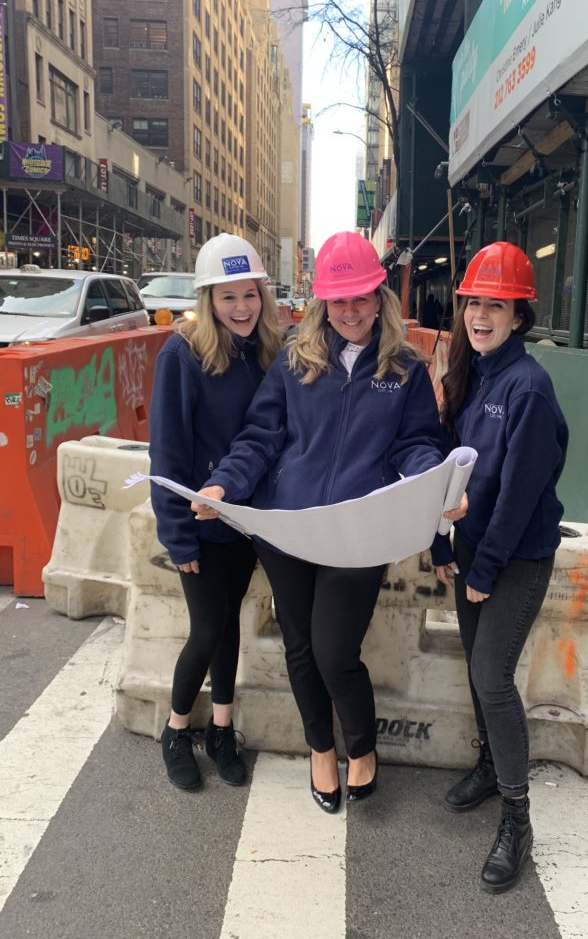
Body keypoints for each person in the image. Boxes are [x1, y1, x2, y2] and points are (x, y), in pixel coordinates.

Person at [193, 231, 465, 813]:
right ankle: (321, 749)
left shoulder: (405, 368)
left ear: (379, 296)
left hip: (359, 530)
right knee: (300, 647)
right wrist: (225, 485)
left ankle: (362, 748)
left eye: (360, 298)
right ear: (322, 303)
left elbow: (416, 443)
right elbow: (261, 437)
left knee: (334, 650)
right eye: (338, 301)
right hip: (290, 528)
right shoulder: (295, 358)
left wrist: (436, 480)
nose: (350, 312)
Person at [431, 241, 568, 893]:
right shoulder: (471, 372)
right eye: (473, 303)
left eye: (497, 304)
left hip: (515, 557)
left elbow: (517, 496)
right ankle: (489, 766)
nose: (481, 315)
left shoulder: (528, 388)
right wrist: (439, 546)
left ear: (521, 315)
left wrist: (483, 569)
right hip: (470, 553)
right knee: (476, 669)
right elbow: (446, 476)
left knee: (491, 676)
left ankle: (518, 815)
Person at [149, 233, 284, 791]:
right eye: (228, 298)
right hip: (201, 524)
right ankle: (178, 730)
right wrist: (178, 536)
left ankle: (222, 729)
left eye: (249, 294)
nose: (242, 308)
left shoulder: (268, 351)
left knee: (228, 626)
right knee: (206, 629)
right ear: (208, 300)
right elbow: (169, 450)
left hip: (246, 523)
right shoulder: (182, 353)